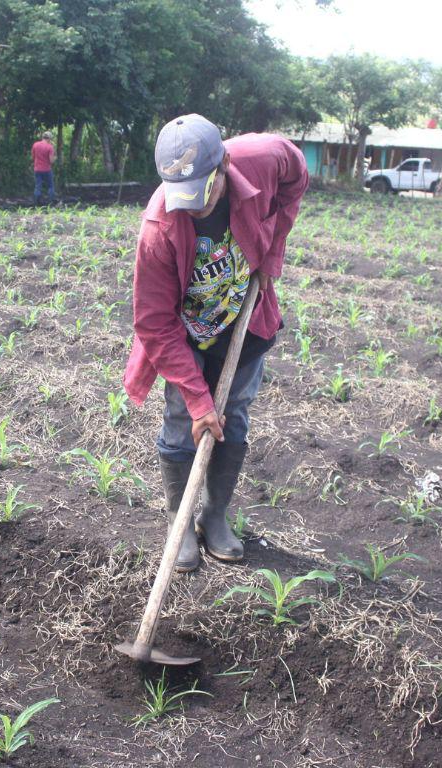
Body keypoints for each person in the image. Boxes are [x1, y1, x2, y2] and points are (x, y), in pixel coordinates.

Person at [123, 114, 308, 573]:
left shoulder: (265, 158)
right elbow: (154, 323)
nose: (194, 207)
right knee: (182, 419)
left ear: (223, 165)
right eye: (182, 195)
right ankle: (180, 521)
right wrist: (199, 399)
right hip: (187, 332)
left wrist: (272, 252)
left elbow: (296, 177)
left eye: (203, 191)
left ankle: (215, 515)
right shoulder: (159, 227)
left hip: (245, 320)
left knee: (235, 415)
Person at [31, 130, 57, 205]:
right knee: (50, 186)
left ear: (43, 137)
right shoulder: (50, 147)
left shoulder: (35, 145)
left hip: (37, 169)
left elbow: (33, 157)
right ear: (49, 138)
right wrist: (55, 157)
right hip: (46, 169)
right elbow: (51, 161)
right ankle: (51, 202)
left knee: (38, 186)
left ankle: (36, 202)